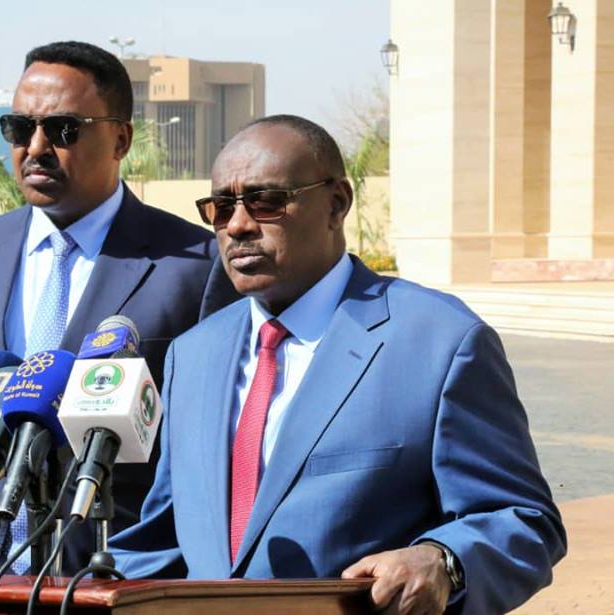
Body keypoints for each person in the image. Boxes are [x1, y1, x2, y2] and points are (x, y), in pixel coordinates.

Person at [109, 115, 566, 614]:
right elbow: (162, 542)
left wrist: (443, 560)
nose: (238, 225)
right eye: (221, 208)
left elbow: (525, 522)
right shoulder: (194, 353)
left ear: (336, 203)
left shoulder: (441, 342)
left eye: (266, 201)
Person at [0, 41, 237, 573]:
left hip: (112, 574)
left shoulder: (196, 265)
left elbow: (214, 448)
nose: (36, 147)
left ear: (121, 140)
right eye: (19, 128)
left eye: (63, 129)